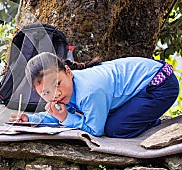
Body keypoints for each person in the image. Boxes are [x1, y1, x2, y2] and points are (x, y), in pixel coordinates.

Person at [9, 52, 179, 138]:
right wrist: (31, 119)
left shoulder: (90, 91)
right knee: (106, 118)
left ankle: (149, 120)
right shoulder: (67, 91)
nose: (56, 94)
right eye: (46, 92)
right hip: (138, 88)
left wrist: (67, 118)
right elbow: (59, 115)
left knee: (113, 128)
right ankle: (139, 114)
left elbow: (95, 130)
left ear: (68, 72)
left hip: (160, 85)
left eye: (57, 84)